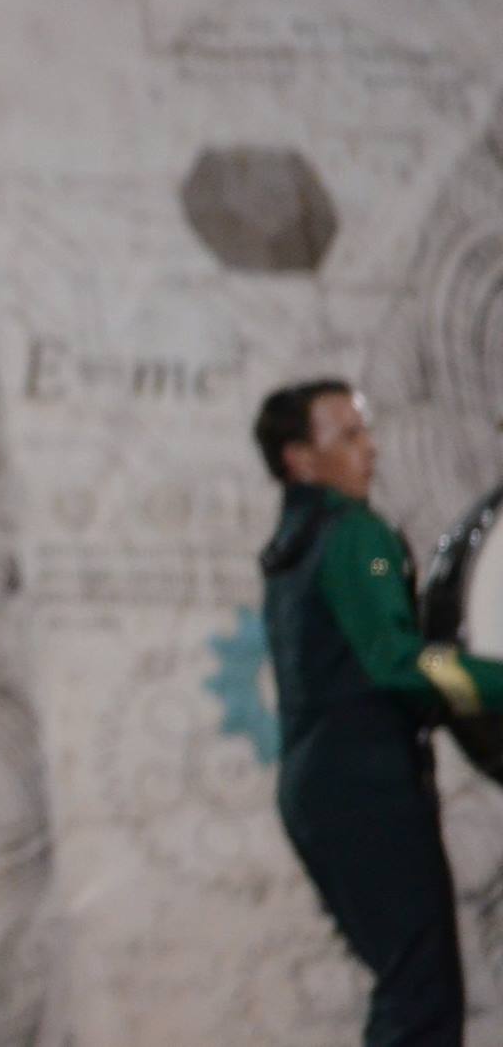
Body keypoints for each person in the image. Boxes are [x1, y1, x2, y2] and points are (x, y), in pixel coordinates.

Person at [254, 379, 503, 1047]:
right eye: (350, 436)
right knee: (421, 1000)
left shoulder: (295, 545)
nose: (372, 449)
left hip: (321, 790)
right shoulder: (354, 535)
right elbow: (395, 662)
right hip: (367, 788)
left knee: (407, 987)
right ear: (300, 460)